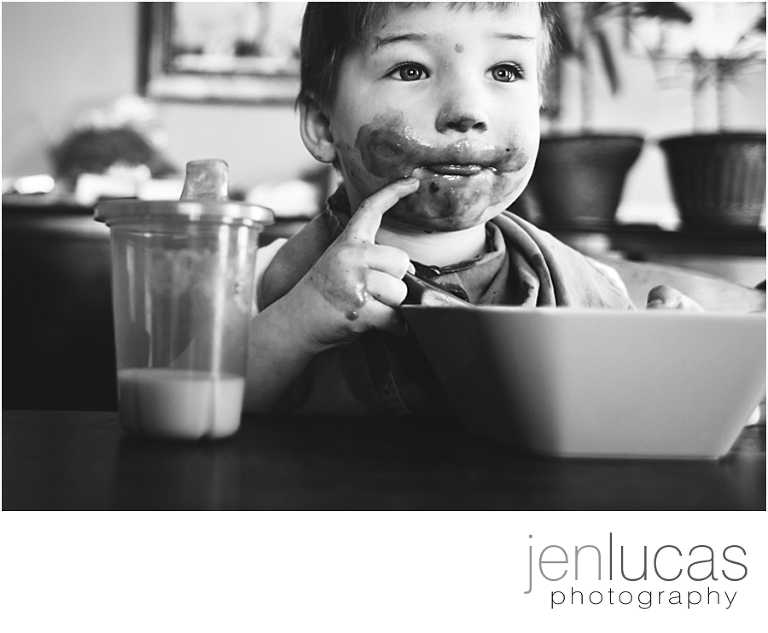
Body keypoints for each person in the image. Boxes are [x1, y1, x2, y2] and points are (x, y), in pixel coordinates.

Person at [243, 2, 700, 416]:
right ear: (323, 125)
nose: (467, 110)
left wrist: (681, 368)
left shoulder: (593, 290)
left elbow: (635, 425)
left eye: (504, 71)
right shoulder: (255, 283)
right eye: (410, 70)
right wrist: (297, 322)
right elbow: (190, 410)